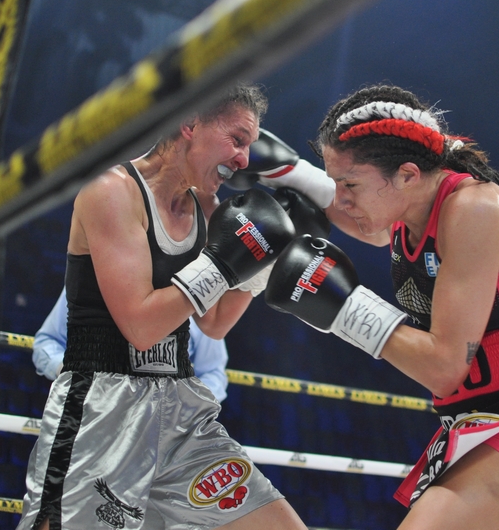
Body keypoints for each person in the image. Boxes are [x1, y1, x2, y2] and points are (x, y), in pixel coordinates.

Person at [259, 84, 499, 530]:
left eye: (350, 184)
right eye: (336, 181)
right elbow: (362, 224)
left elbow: (444, 368)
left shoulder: (475, 209)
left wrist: (344, 307)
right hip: (476, 414)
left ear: (407, 174)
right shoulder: (406, 213)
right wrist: (289, 173)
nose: (341, 198)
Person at [17, 82, 308, 530]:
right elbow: (140, 326)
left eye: (249, 145)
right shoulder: (111, 192)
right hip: (103, 409)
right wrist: (225, 265)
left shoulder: (207, 208)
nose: (244, 160)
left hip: (181, 411)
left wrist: (258, 268)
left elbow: (214, 323)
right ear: (190, 122)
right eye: (237, 139)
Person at [32, 287, 229, 401]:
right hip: (93, 420)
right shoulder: (87, 277)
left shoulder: (196, 293)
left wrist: (187, 404)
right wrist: (72, 374)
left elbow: (213, 372)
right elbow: (48, 342)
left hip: (164, 434)